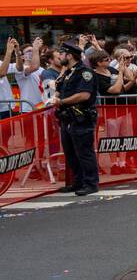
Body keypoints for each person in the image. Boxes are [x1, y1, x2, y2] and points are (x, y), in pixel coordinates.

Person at [50, 41, 99, 194]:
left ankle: (90, 184)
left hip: (81, 118)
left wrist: (61, 101)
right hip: (67, 118)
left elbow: (84, 95)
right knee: (71, 153)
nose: (60, 57)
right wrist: (56, 97)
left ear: (70, 56)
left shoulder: (85, 72)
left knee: (84, 152)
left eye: (62, 54)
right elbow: (59, 89)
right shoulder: (67, 73)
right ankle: (78, 182)